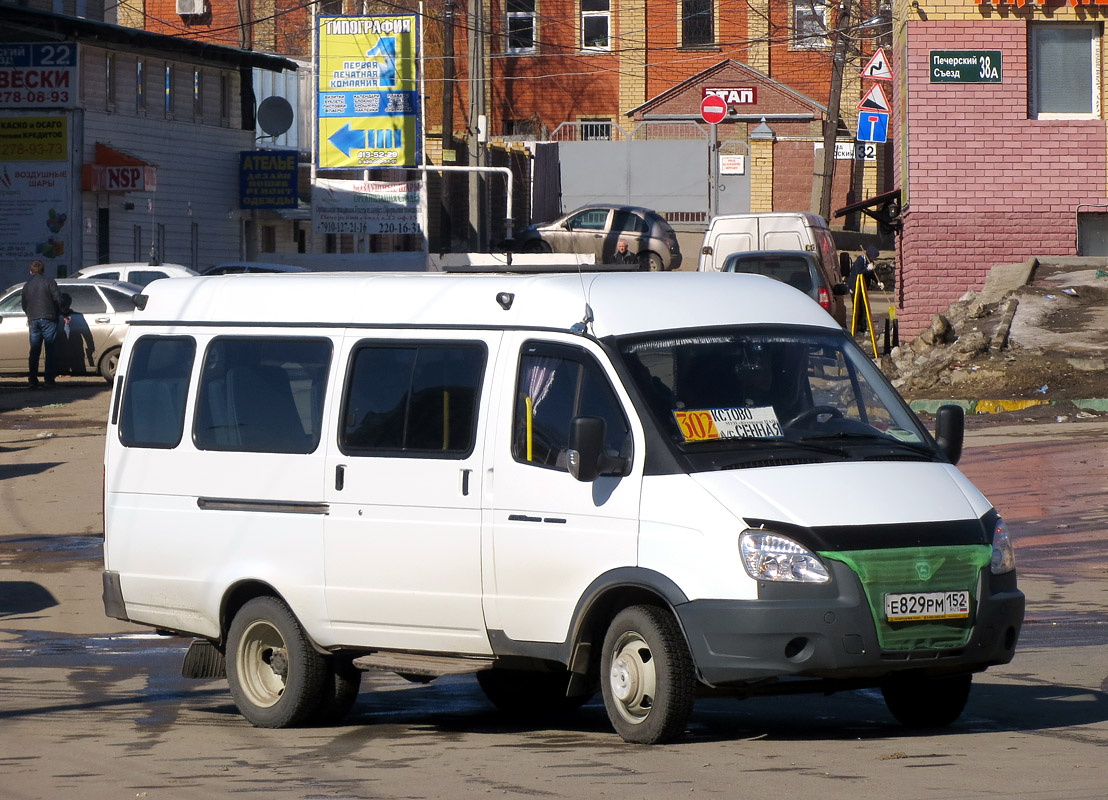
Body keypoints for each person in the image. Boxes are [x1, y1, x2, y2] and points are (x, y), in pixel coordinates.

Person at [21, 260, 66, 389]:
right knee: (50, 349)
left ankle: (32, 380)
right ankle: (49, 379)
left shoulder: (27, 286)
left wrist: (30, 315)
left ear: (31, 271)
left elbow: (24, 304)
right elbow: (58, 298)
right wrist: (64, 313)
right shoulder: (49, 282)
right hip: (49, 318)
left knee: (34, 350)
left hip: (33, 319)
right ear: (43, 271)